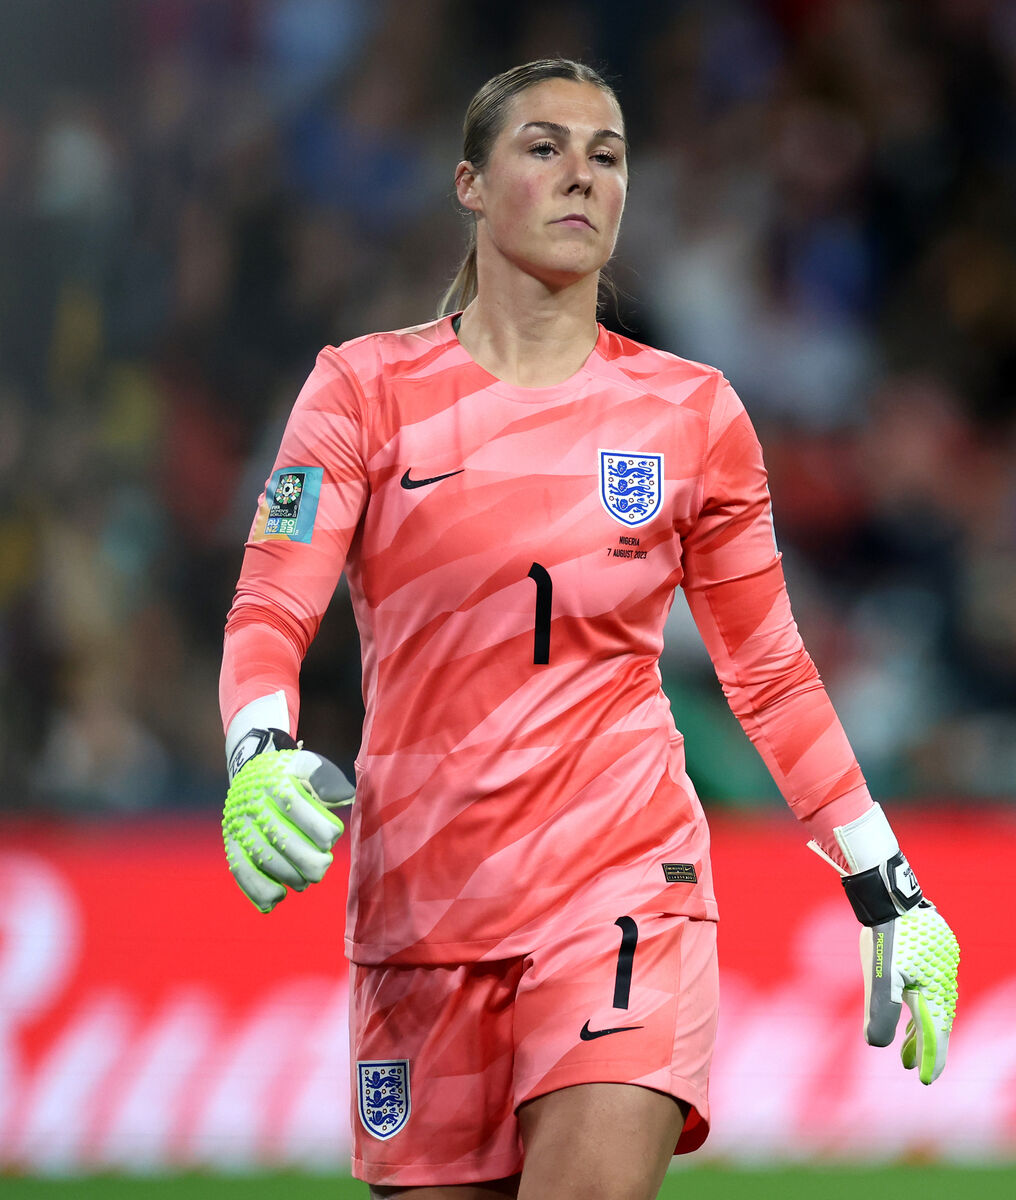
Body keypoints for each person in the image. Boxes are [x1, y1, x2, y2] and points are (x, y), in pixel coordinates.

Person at [219, 58, 959, 1200]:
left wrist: (888, 883)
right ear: (469, 183)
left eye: (606, 154)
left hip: (620, 886)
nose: (582, 176)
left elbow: (765, 668)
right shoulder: (362, 392)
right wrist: (256, 749)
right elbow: (271, 603)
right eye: (544, 147)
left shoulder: (689, 413)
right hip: (420, 906)